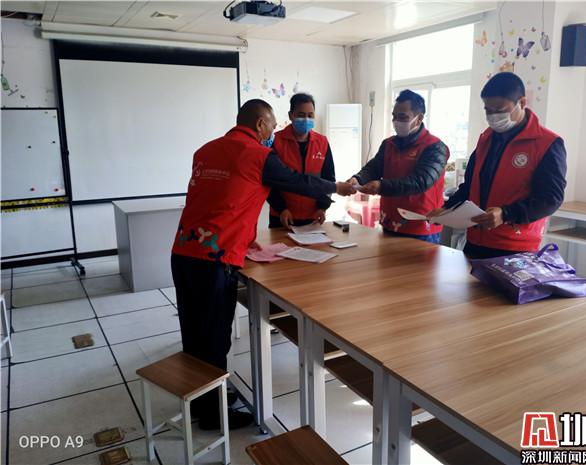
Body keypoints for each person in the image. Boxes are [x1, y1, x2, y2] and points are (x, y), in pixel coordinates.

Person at [170, 99, 355, 430]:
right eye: (271, 125)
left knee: (194, 334)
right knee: (214, 339)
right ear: (259, 124)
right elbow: (298, 181)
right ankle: (213, 415)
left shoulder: (206, 150)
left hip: (184, 251)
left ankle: (201, 399)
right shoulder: (257, 154)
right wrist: (336, 187)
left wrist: (243, 238)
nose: (273, 131)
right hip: (214, 260)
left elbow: (220, 200)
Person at [427, 72, 567, 259]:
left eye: (500, 110)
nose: (493, 116)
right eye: (488, 110)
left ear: (522, 103)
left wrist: (506, 214)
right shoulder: (486, 139)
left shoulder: (546, 143)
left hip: (515, 248)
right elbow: (470, 187)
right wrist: (447, 209)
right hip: (475, 241)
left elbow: (550, 199)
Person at [347, 90, 450, 243]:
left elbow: (420, 181)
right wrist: (358, 179)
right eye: (394, 116)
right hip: (390, 222)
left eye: (402, 117)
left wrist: (381, 186)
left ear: (419, 118)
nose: (396, 121)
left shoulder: (435, 147)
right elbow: (374, 168)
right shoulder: (389, 144)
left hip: (420, 227)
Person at [268, 93, 336, 229]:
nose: (306, 119)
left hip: (313, 217)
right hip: (282, 217)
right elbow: (269, 181)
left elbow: (329, 179)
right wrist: (281, 208)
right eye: (301, 115)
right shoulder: (276, 141)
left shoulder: (322, 142)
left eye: (310, 115)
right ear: (290, 115)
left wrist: (322, 207)